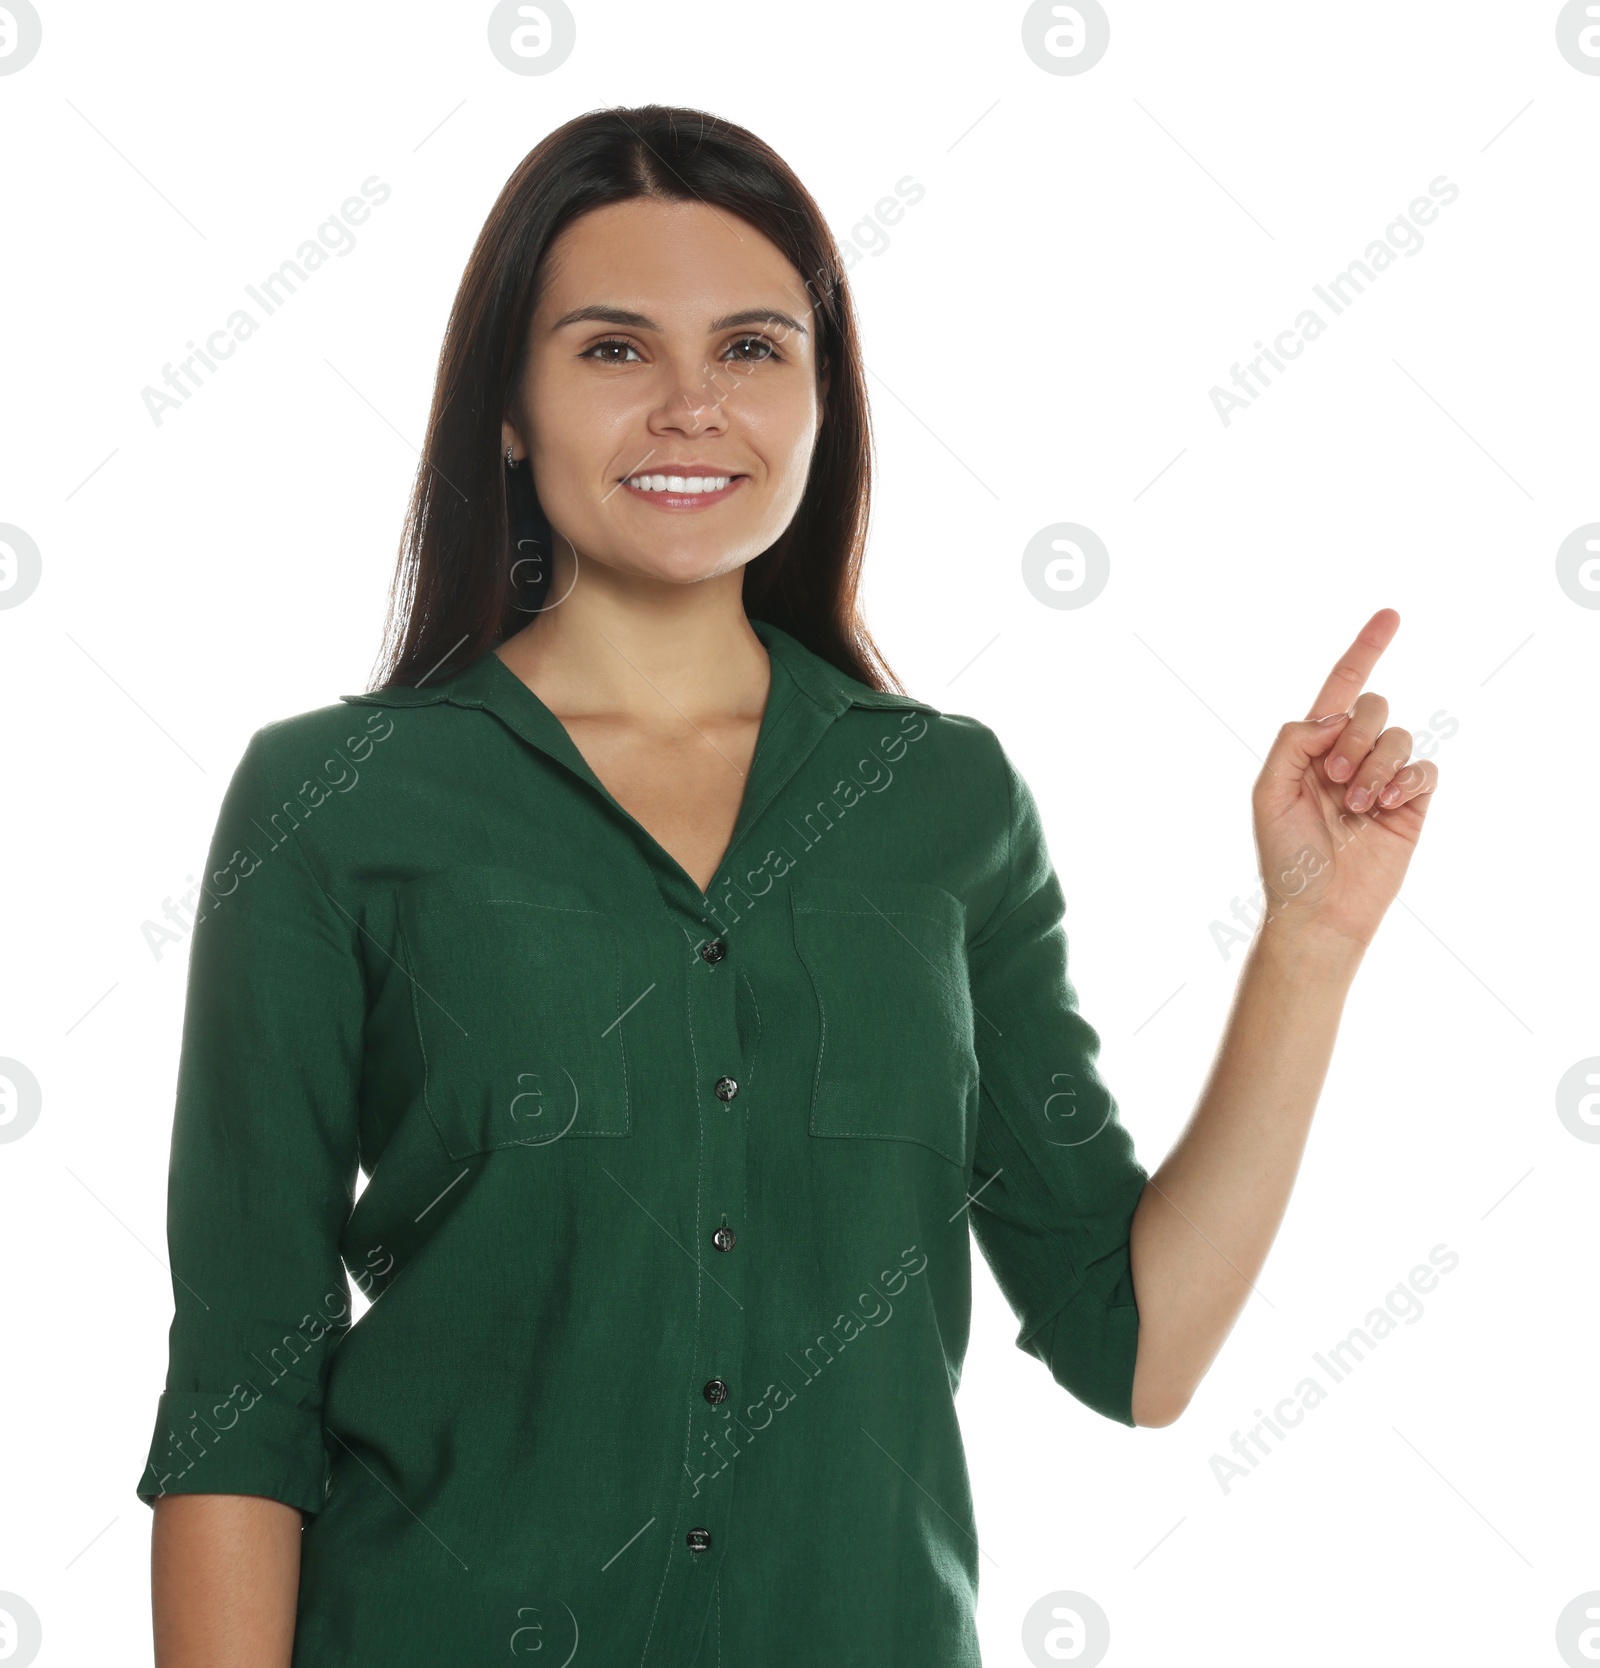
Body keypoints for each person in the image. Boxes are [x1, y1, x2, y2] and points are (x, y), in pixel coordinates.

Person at [137, 104, 1437, 1668]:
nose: (693, 406)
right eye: (615, 351)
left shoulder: (943, 799)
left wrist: (1306, 945)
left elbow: (1133, 1345)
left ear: (823, 402)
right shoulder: (331, 801)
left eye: (752, 350)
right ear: (506, 403)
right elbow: (240, 1395)